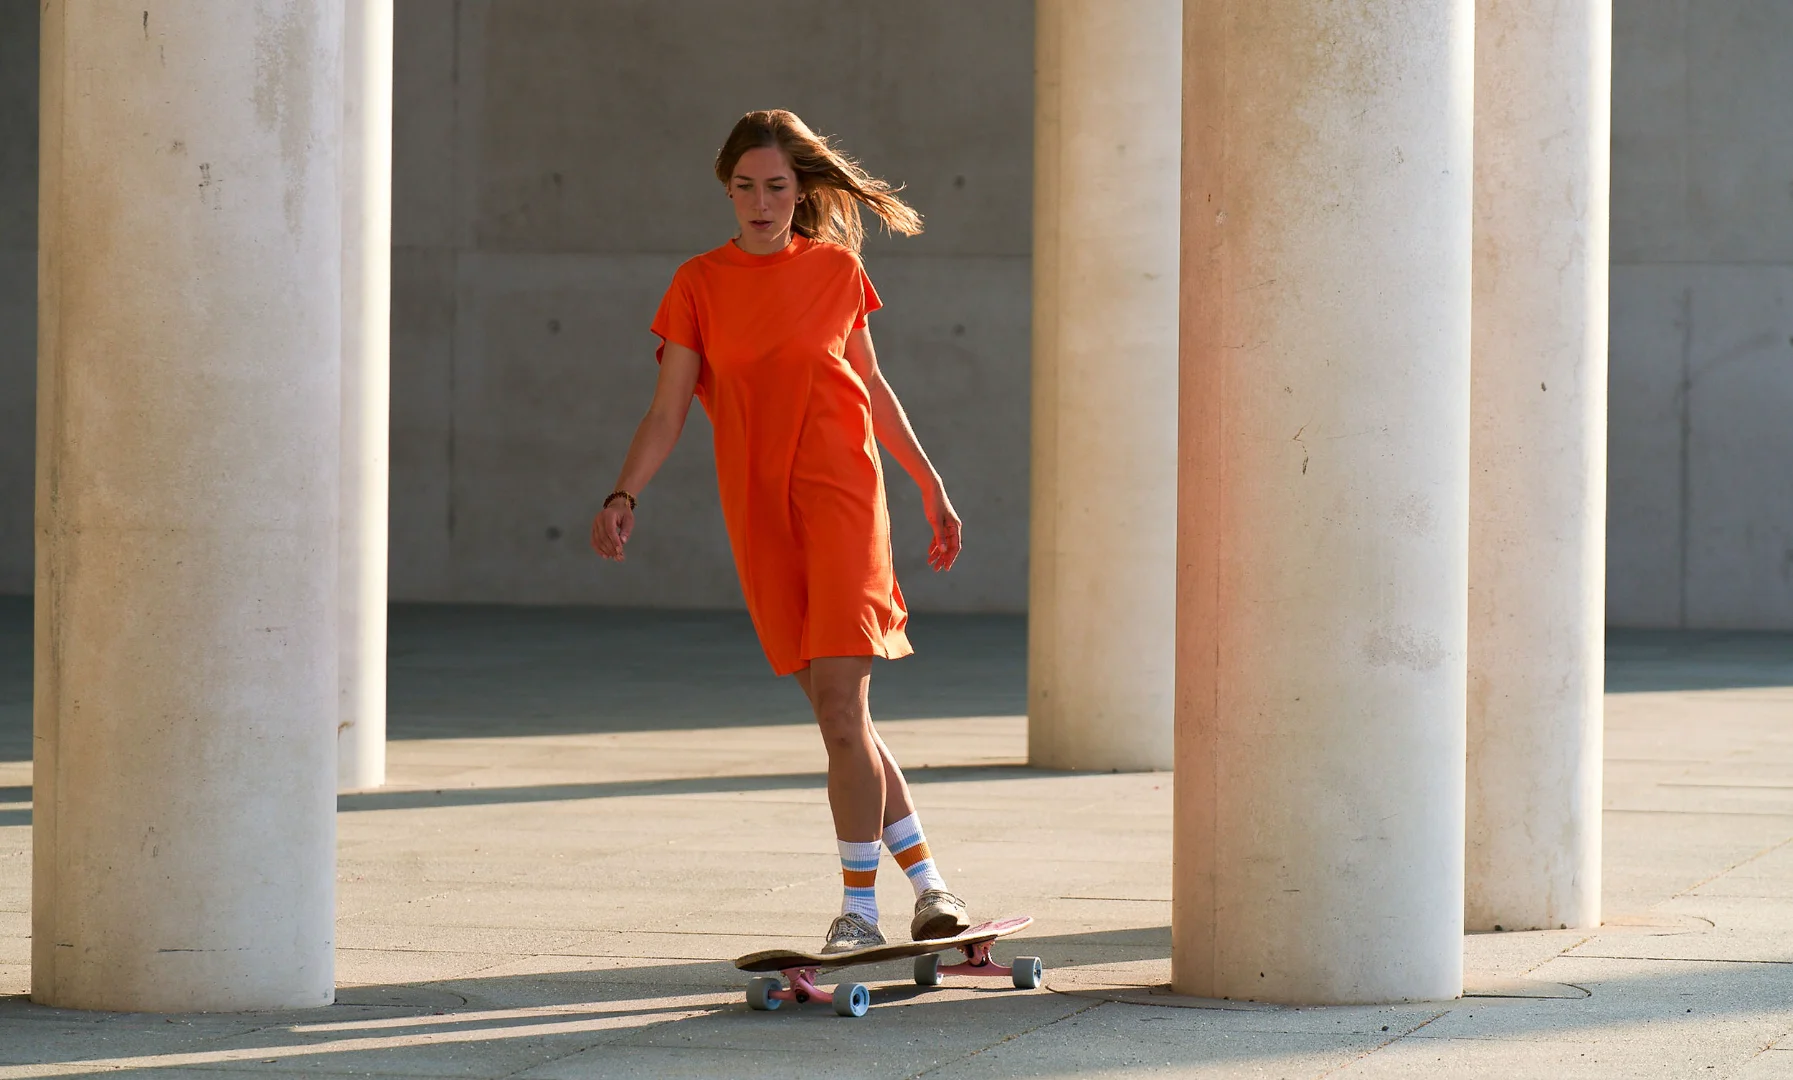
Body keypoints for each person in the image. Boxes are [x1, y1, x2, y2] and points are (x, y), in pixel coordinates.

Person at [591, 110, 971, 953]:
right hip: (760, 516)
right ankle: (932, 888)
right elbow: (666, 410)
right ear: (725, 190)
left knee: (840, 712)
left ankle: (858, 912)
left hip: (843, 501)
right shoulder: (697, 284)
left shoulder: (835, 270)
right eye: (744, 187)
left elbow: (872, 388)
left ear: (799, 192)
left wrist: (929, 483)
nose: (760, 202)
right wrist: (624, 493)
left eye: (775, 187)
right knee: (846, 724)